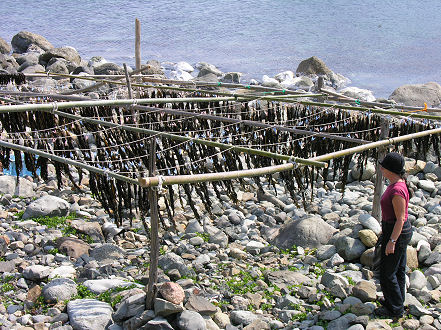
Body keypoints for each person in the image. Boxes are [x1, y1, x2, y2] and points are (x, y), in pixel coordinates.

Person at [376, 152, 413, 319]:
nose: (381, 168)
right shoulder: (397, 183)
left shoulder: (397, 189)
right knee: (398, 269)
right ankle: (396, 301)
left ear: (389, 170)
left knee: (387, 272)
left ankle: (395, 309)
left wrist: (391, 241)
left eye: (383, 166)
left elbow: (401, 218)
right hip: (395, 230)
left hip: (397, 231)